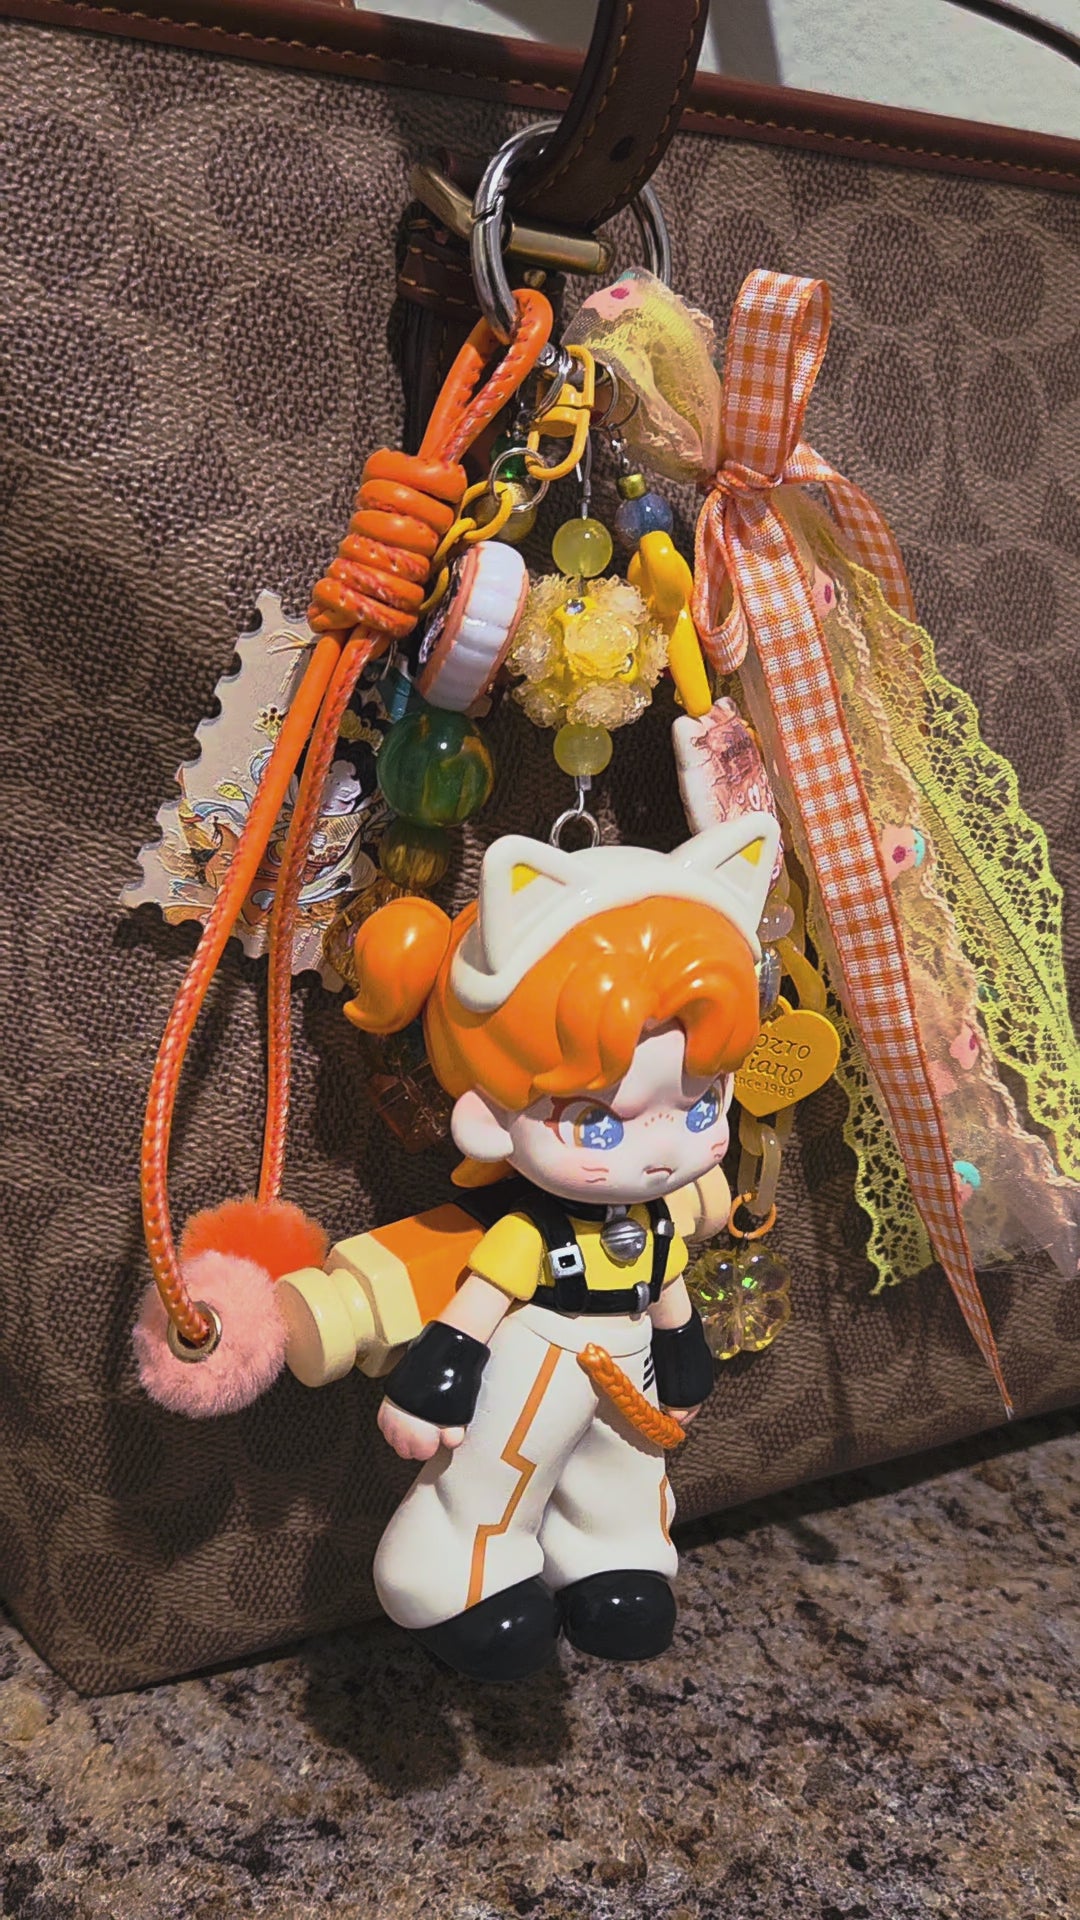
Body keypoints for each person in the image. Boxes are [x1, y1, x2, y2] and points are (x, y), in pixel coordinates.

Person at [345, 815, 778, 1680]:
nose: (662, 1152)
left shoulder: (657, 1223)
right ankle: (453, 1578)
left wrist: (686, 1373)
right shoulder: (530, 1230)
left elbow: (671, 1302)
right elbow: (474, 1313)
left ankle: (614, 1561)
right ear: (487, 1118)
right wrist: (432, 1390)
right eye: (597, 1122)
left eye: (702, 1104)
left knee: (629, 1472)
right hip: (537, 1355)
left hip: (631, 1368)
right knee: (495, 1474)